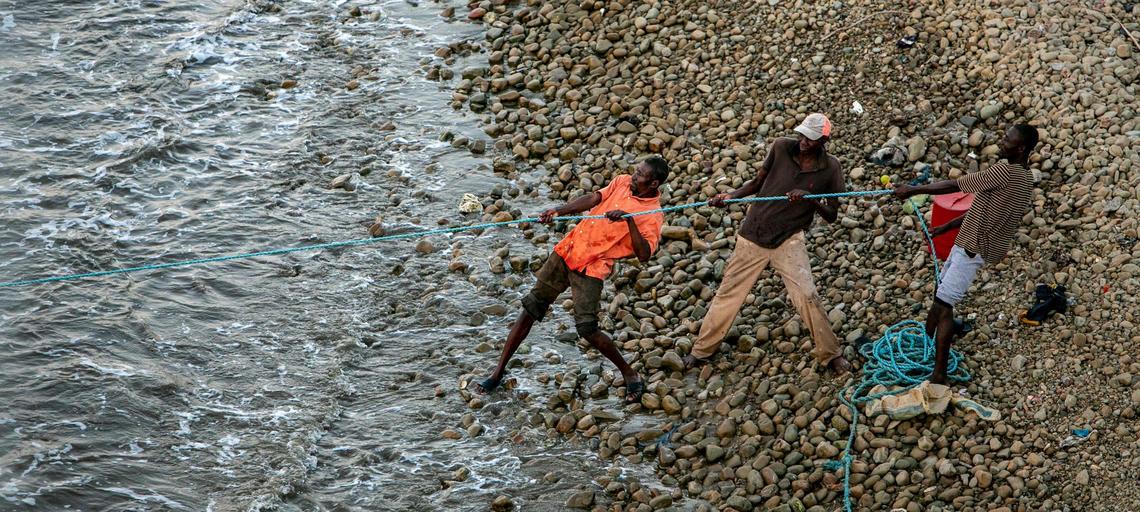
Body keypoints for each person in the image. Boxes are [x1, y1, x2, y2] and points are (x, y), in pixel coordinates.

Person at [474, 157, 670, 403]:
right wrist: (558, 210)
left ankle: (630, 374)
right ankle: (497, 372)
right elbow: (593, 199)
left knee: (587, 329)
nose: (633, 176)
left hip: (591, 267)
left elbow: (644, 254)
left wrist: (629, 219)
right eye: (635, 170)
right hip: (568, 250)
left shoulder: (653, 215)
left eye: (640, 175)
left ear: (653, 184)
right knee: (531, 307)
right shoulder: (621, 181)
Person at [682, 113, 854, 374]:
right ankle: (701, 351)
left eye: (811, 138)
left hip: (789, 240)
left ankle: (831, 355)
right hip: (753, 234)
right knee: (729, 295)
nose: (804, 141)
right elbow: (757, 182)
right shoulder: (782, 147)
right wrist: (729, 196)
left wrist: (811, 199)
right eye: (802, 135)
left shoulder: (831, 167)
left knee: (807, 296)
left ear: (824, 140)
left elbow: (832, 215)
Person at [893, 124, 1038, 384]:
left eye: (1007, 140)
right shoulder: (1026, 178)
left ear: (1021, 148)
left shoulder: (1004, 171)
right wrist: (947, 227)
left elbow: (957, 185)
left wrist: (913, 190)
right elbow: (988, 209)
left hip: (971, 249)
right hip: (973, 245)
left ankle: (939, 374)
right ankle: (925, 344)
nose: (1001, 143)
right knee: (941, 292)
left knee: (944, 305)